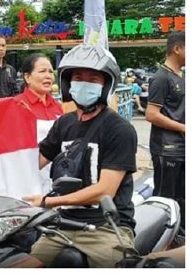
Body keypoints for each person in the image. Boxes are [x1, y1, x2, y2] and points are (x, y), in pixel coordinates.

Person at [22, 44, 138, 268]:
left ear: (106, 85)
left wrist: (48, 201)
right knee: (23, 264)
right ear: (67, 84)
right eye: (77, 77)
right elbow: (32, 161)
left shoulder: (119, 129)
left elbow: (104, 191)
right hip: (64, 223)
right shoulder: (64, 123)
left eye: (93, 79)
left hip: (106, 227)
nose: (84, 83)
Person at [145, 31, 185, 234]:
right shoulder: (161, 77)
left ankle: (180, 236)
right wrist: (184, 128)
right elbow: (151, 114)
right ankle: (157, 240)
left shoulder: (182, 76)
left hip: (183, 147)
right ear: (177, 49)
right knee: (164, 197)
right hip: (167, 148)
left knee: (183, 196)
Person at [14, 53, 63, 193]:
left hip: (56, 177)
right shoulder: (17, 105)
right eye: (42, 71)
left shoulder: (58, 107)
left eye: (50, 71)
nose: (48, 76)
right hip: (27, 177)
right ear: (27, 77)